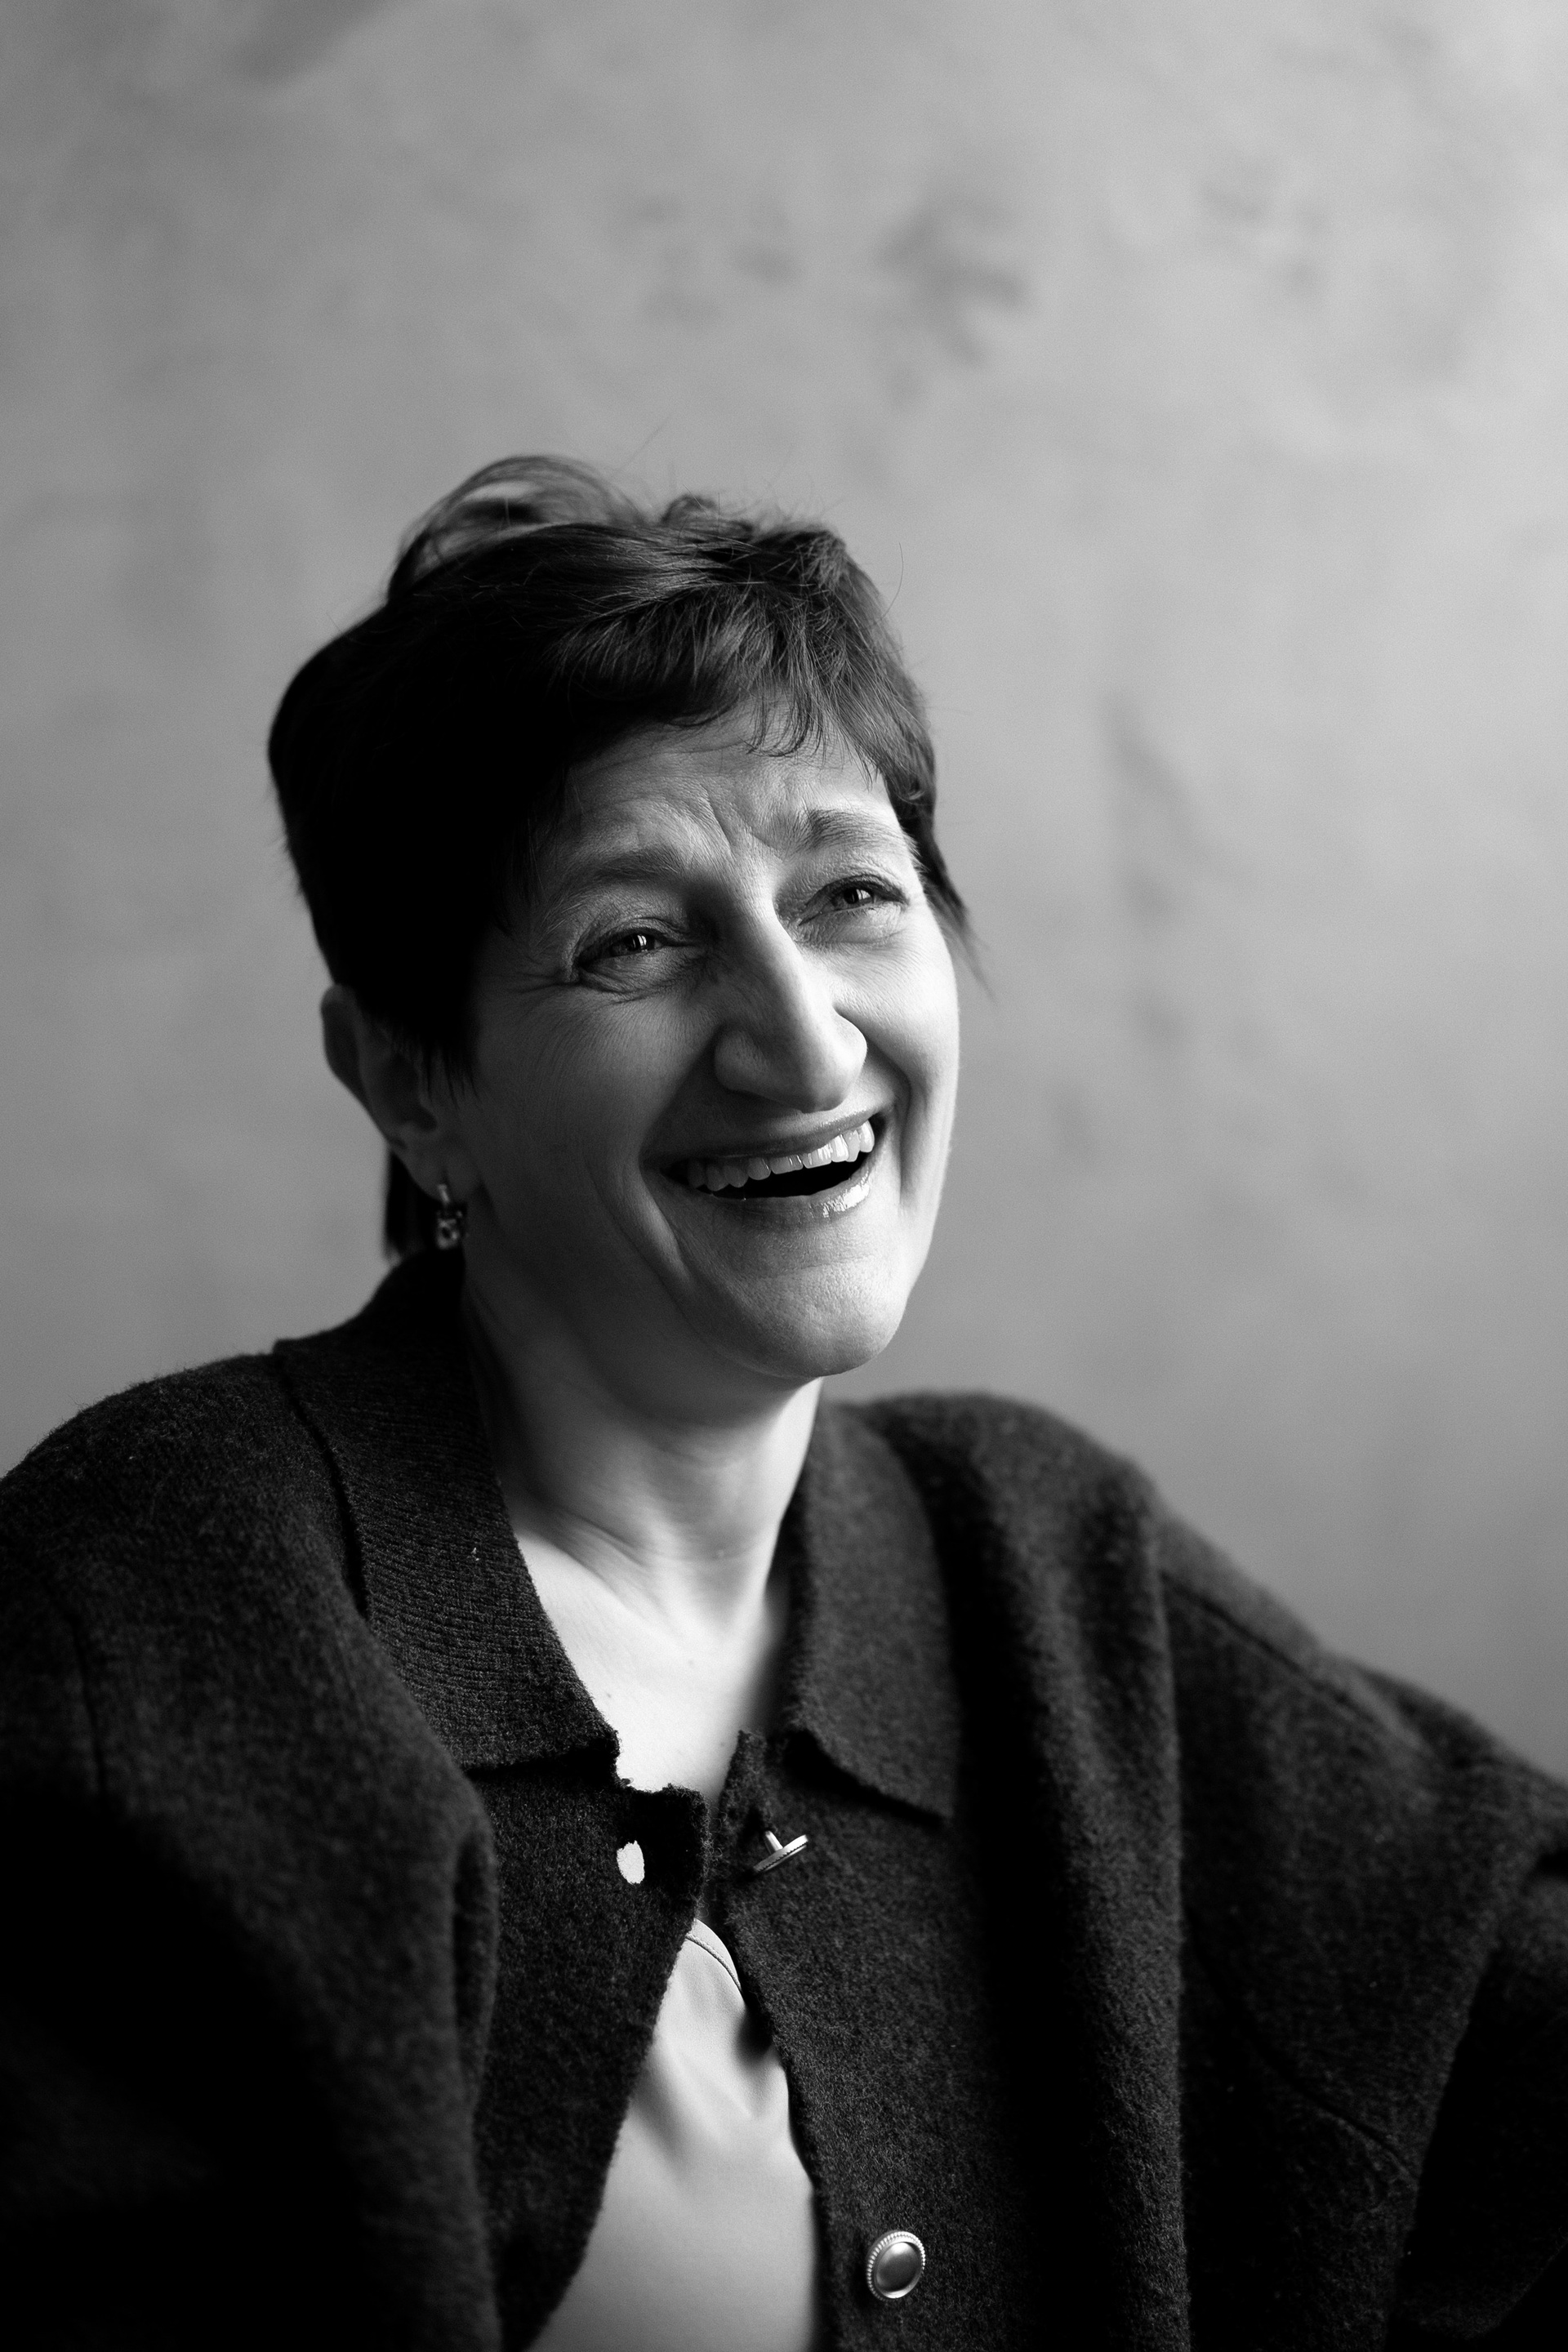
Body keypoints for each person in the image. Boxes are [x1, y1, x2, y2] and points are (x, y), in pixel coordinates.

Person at [2, 457, 1565, 2352]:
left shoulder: (1042, 1563)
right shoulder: (156, 1601)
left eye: (850, 895)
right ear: (413, 1083)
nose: (806, 1041)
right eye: (634, 941)